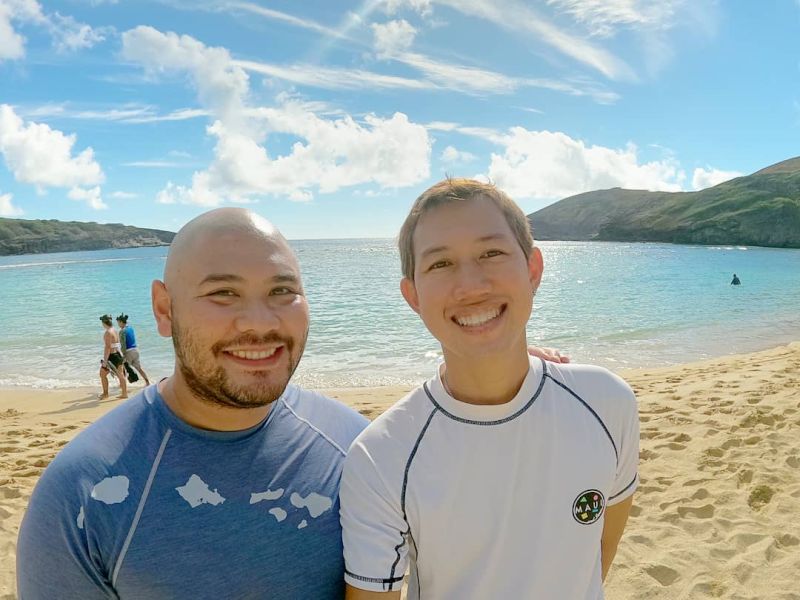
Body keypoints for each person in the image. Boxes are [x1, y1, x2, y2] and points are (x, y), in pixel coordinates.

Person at [17, 208, 567, 599]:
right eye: (223, 293)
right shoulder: (85, 495)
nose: (260, 322)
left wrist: (505, 368)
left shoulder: (361, 450)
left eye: (282, 291)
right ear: (164, 310)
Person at [340, 179, 640, 599]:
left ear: (532, 269)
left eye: (491, 253)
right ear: (413, 296)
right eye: (440, 264)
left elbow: (595, 556)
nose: (471, 285)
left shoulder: (607, 403)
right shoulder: (382, 456)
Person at [98, 314, 128, 400]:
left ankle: (105, 394)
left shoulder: (108, 333)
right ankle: (124, 393)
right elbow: (117, 345)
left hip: (112, 357)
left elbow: (108, 347)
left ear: (104, 322)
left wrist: (105, 361)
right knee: (121, 375)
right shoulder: (115, 330)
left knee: (102, 374)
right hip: (118, 355)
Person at [117, 313, 151, 385]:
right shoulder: (131, 328)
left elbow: (123, 345)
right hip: (135, 350)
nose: (118, 325)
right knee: (139, 368)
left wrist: (123, 355)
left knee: (123, 368)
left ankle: (122, 385)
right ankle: (147, 382)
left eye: (118, 323)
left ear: (121, 322)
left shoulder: (122, 331)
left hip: (128, 352)